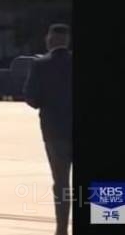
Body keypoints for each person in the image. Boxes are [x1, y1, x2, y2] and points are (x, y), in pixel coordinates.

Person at [23, 24, 72, 235]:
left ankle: (61, 229)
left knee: (61, 182)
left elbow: (31, 99)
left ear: (50, 40)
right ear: (67, 41)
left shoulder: (40, 65)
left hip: (55, 132)